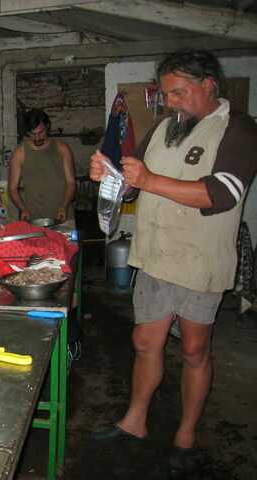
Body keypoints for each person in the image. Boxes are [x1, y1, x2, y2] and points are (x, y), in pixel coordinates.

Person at [89, 49, 257, 477]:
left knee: (195, 349)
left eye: (179, 92)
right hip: (155, 254)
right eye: (165, 94)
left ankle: (185, 436)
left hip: (199, 259)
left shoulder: (238, 128)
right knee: (146, 342)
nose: (170, 102)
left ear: (208, 84)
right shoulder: (165, 128)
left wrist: (149, 180)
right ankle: (135, 422)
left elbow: (222, 194)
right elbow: (133, 186)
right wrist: (111, 176)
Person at [8, 109, 76, 223]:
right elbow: (12, 187)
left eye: (41, 132)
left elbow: (71, 183)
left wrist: (64, 206)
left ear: (47, 126)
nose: (37, 138)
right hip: (33, 218)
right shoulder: (19, 154)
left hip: (63, 216)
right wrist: (22, 208)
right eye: (32, 134)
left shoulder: (62, 149)